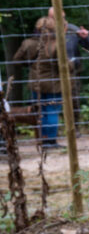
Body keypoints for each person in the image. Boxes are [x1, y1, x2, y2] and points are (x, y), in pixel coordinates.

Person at [14, 16, 62, 148]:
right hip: (53, 84)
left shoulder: (28, 43)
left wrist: (29, 64)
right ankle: (51, 141)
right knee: (52, 111)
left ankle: (43, 139)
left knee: (40, 112)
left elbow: (16, 59)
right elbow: (65, 65)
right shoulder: (56, 44)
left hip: (36, 84)